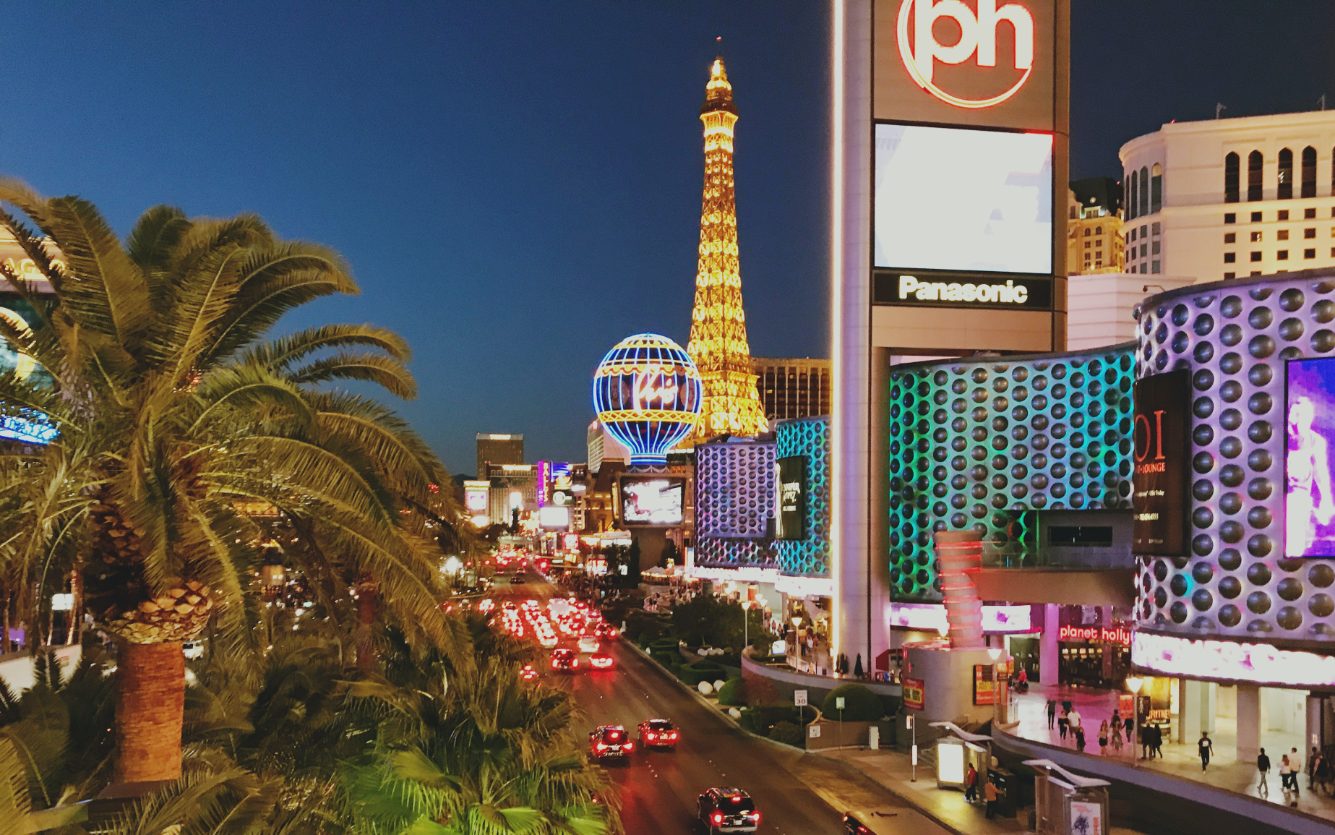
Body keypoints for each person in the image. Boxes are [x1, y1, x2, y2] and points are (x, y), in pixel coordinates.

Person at [1287, 395, 1335, 557]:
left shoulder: (1316, 441)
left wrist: (1326, 501)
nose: (1297, 419)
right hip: (1278, 496)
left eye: (1304, 415)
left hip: (1298, 500)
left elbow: (1321, 471)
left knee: (1294, 550)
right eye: (1295, 414)